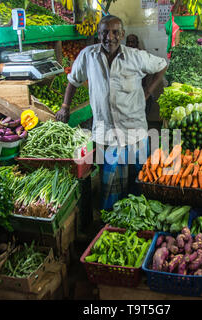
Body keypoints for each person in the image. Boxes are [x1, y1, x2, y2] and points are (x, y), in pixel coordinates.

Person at [55, 15, 167, 210]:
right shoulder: (88, 56)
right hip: (108, 133)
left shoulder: (135, 56)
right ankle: (112, 224)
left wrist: (148, 91)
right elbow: (73, 80)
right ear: (98, 34)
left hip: (135, 130)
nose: (110, 37)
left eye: (115, 32)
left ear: (122, 34)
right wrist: (65, 107)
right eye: (105, 32)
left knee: (140, 182)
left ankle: (139, 222)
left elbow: (162, 65)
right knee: (111, 187)